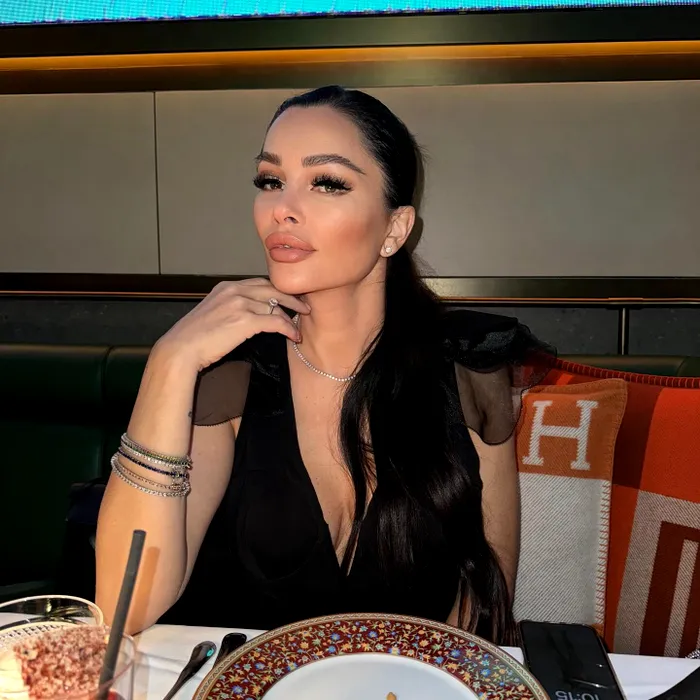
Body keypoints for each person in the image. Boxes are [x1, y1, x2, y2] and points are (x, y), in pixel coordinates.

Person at [95, 85, 554, 644]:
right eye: (270, 180)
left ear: (394, 229)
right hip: (245, 680)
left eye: (327, 182)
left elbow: (484, 597)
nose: (281, 208)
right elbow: (125, 605)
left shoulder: (468, 362)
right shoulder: (234, 372)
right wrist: (170, 362)